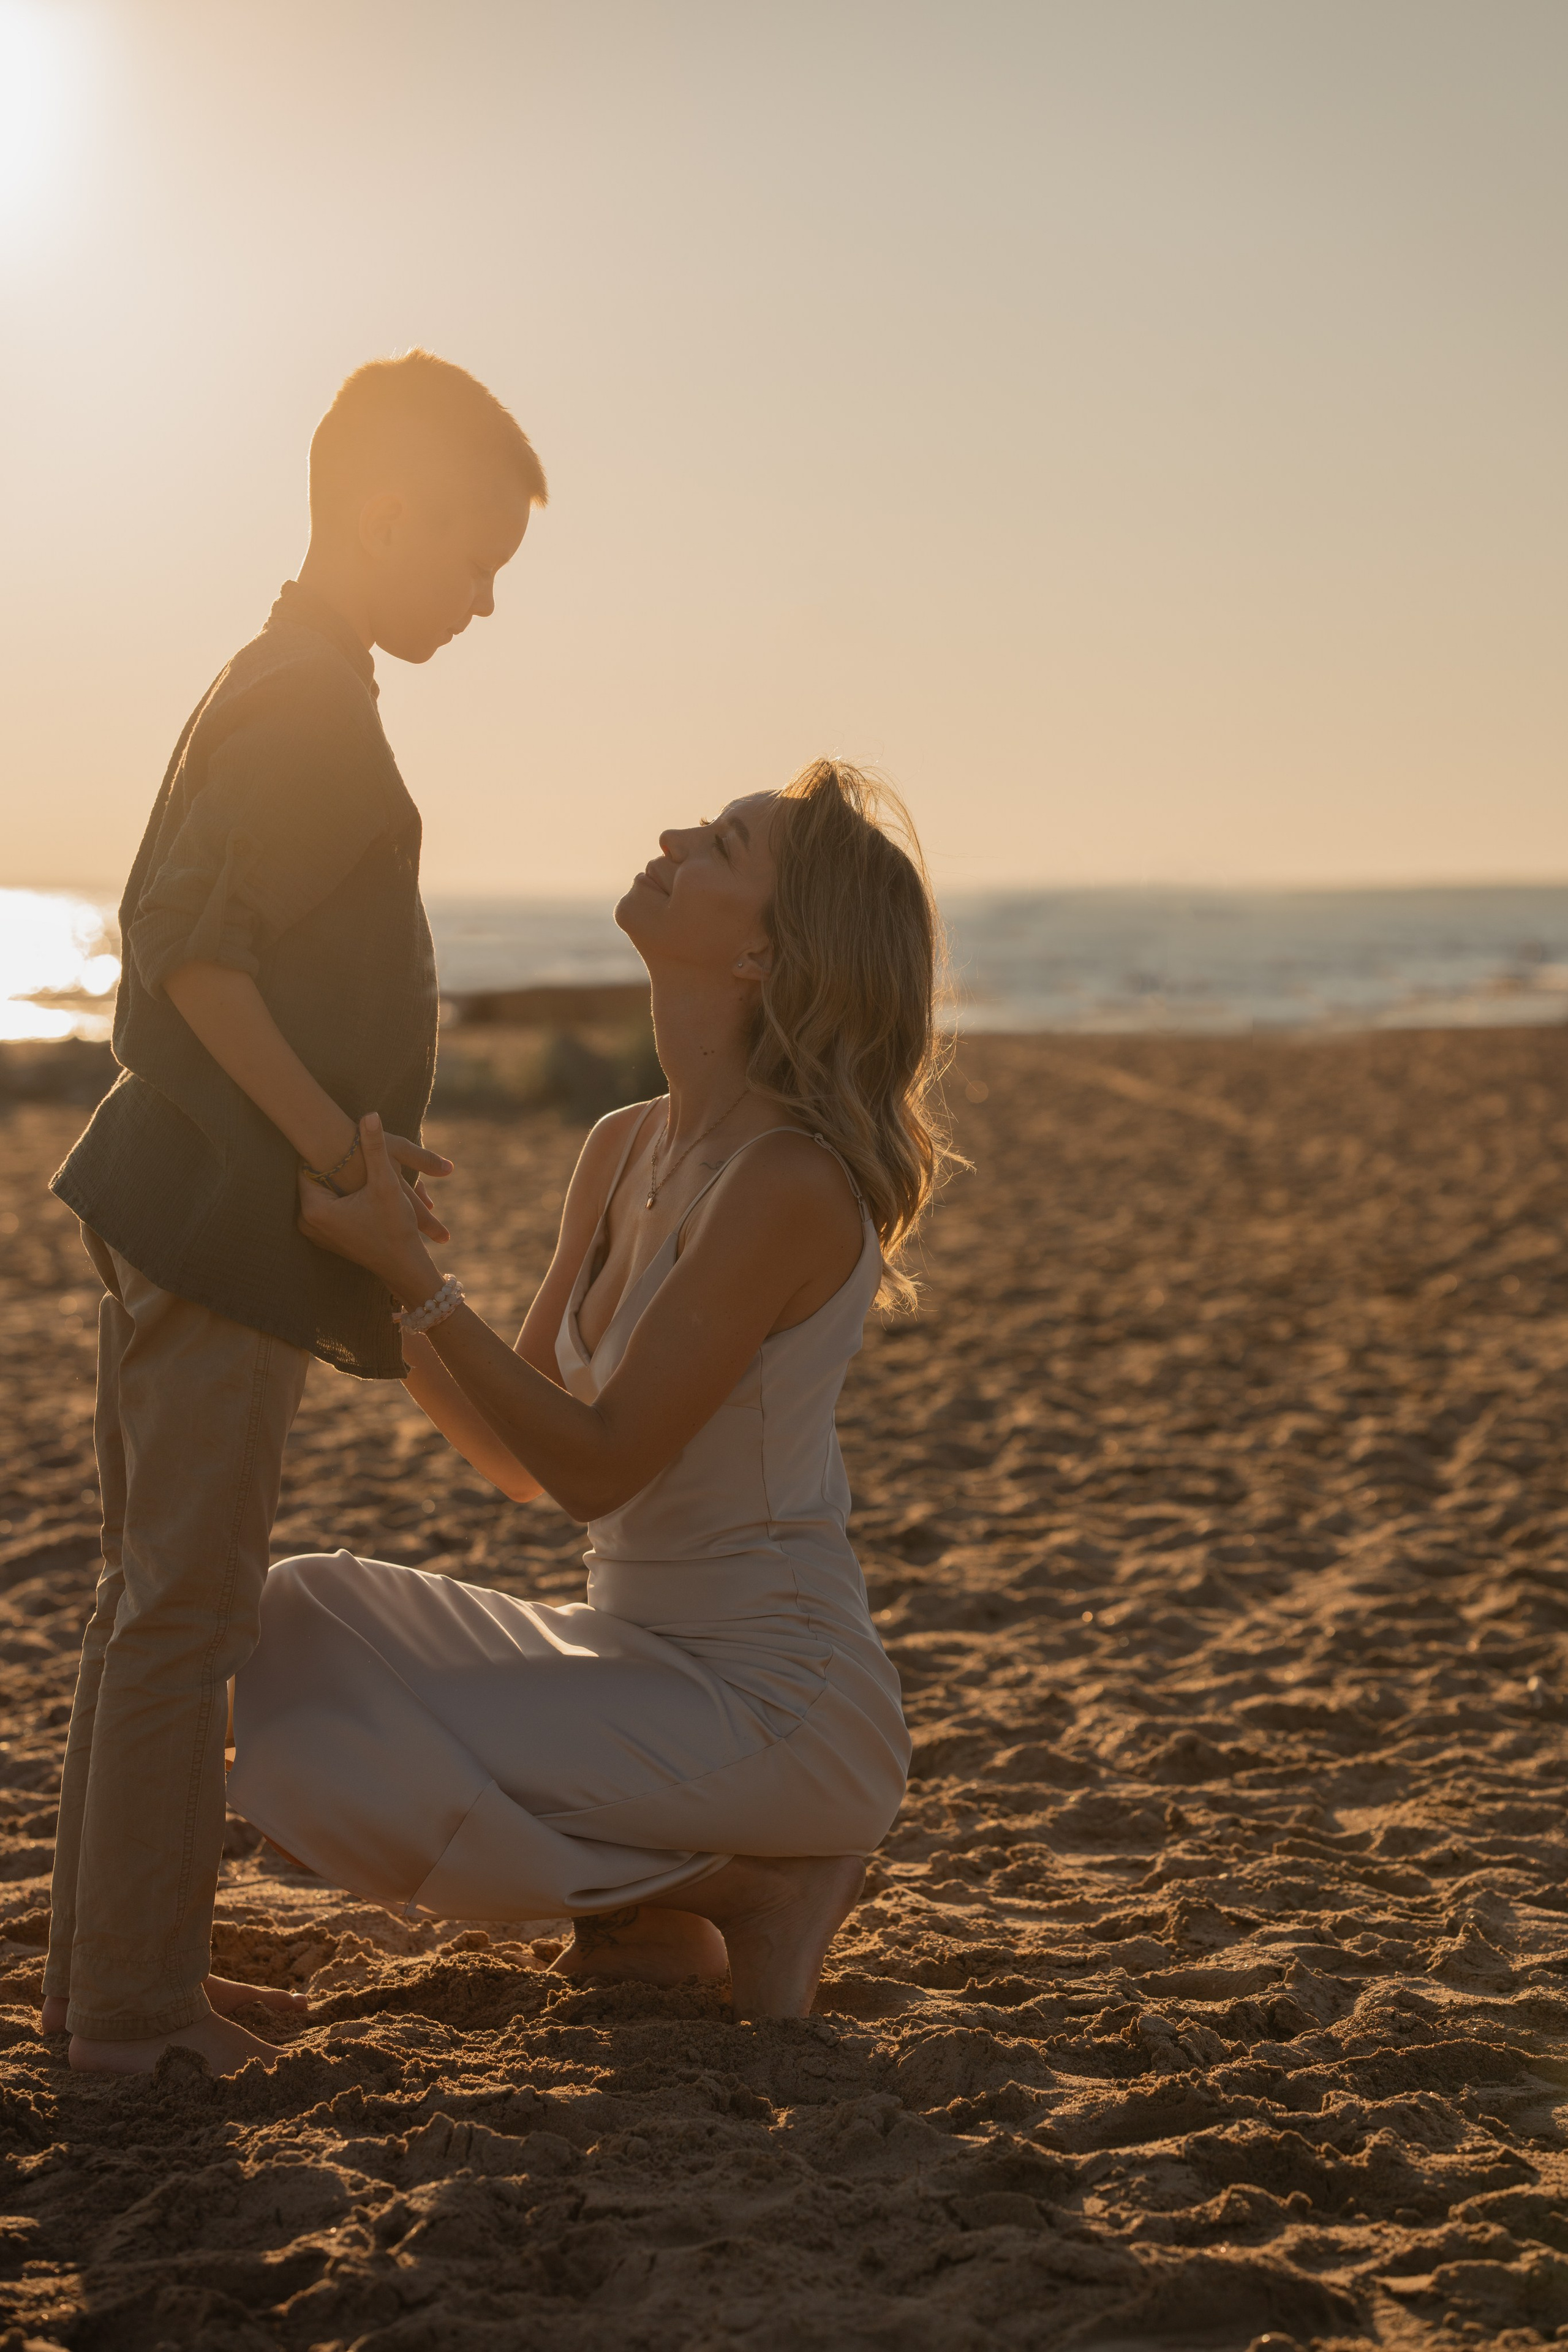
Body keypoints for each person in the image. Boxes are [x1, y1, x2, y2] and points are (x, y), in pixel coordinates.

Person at [228, 760, 948, 2021]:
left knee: (329, 1742)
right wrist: (392, 1272)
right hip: (627, 1652)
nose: (674, 835)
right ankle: (654, 1901)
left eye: (722, 846)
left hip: (772, 1701)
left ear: (766, 959)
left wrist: (413, 1275)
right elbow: (513, 1456)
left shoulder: (787, 1181)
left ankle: (743, 1884)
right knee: (291, 1620)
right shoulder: (625, 1143)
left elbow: (595, 1466)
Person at [40, 352, 548, 2076]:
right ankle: (127, 2014)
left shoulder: (291, 675)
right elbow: (192, 954)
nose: (486, 603)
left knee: (152, 1604)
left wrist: (357, 1143)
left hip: (198, 1204)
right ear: (384, 512)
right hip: (215, 1221)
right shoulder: (305, 700)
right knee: (184, 1609)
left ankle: (115, 1976)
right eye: (474, 559)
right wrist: (339, 1150)